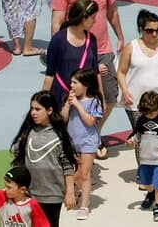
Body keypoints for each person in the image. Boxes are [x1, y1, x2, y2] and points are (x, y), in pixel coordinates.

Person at [50, 0, 123, 146]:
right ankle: (70, 137)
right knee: (72, 95)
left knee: (108, 96)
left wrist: (120, 35)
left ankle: (92, 133)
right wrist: (59, 49)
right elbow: (56, 21)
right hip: (75, 51)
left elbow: (112, 11)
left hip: (102, 48)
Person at [10, 91, 77, 227]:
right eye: (32, 109)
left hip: (52, 196)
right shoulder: (28, 132)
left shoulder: (59, 135)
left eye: (38, 109)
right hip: (29, 194)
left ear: (50, 110)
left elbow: (67, 166)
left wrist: (70, 193)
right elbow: (18, 160)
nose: (33, 112)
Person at [127, 90, 158, 221]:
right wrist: (132, 140)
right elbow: (138, 134)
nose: (149, 116)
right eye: (146, 113)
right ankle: (151, 193)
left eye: (151, 113)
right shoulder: (142, 119)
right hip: (145, 158)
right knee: (146, 183)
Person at [62, 68, 103, 220]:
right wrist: (67, 105)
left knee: (85, 174)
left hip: (88, 141)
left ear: (85, 85)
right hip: (73, 141)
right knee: (75, 173)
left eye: (75, 82)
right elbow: (63, 119)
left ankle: (84, 205)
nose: (71, 85)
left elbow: (90, 121)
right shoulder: (70, 100)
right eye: (71, 82)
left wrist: (78, 106)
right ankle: (78, 191)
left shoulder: (94, 101)